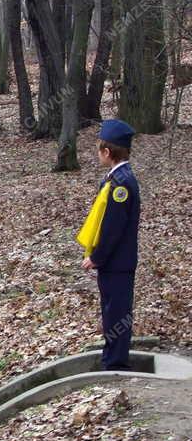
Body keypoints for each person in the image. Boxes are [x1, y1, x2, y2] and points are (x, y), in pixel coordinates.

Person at [81, 119, 141, 371]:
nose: (97, 154)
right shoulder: (118, 178)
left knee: (116, 313)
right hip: (116, 263)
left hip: (117, 262)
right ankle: (111, 356)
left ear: (107, 152)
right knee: (111, 311)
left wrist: (97, 257)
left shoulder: (121, 185)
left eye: (98, 150)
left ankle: (116, 362)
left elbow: (113, 228)